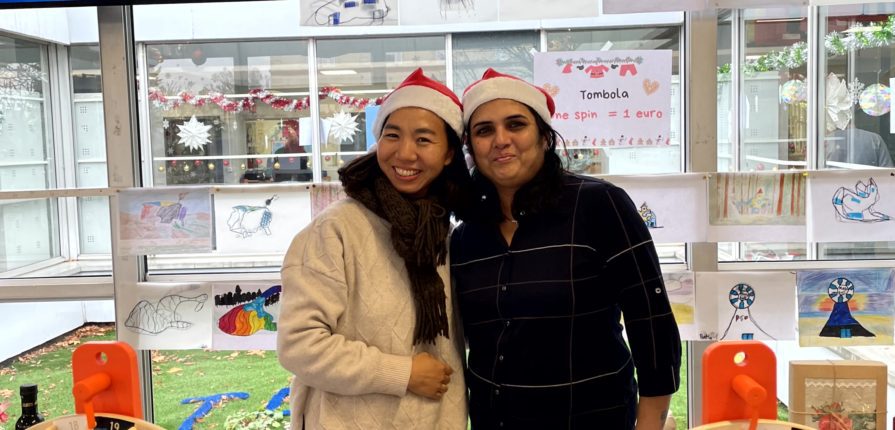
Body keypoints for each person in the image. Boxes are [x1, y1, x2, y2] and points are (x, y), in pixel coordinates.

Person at [450, 68, 681, 429]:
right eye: (484, 131)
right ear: (471, 147)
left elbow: (650, 318)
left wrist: (650, 420)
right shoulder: (465, 238)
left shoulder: (598, 204)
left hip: (595, 418)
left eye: (516, 125)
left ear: (544, 136)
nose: (500, 140)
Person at [277, 68, 470, 429]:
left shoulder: (444, 232)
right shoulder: (336, 229)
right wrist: (402, 373)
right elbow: (299, 344)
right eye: (391, 135)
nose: (405, 153)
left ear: (448, 155)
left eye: (424, 140)